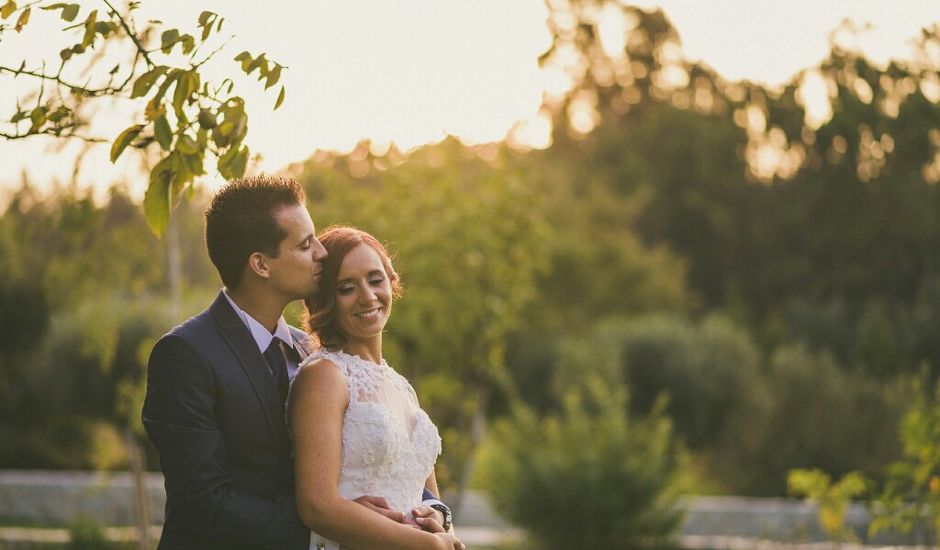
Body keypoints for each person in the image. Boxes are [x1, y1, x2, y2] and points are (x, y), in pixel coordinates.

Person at [142, 176, 451, 549]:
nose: (321, 253)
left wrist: (433, 512)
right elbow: (201, 501)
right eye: (306, 245)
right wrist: (328, 525)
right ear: (261, 265)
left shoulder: (310, 351)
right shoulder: (186, 354)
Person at [290, 226, 464, 550]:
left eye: (375, 279)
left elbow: (423, 493)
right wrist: (425, 545)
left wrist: (441, 521)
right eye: (346, 287)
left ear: (390, 281)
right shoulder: (324, 376)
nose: (368, 297)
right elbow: (317, 505)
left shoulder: (402, 387)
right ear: (325, 300)